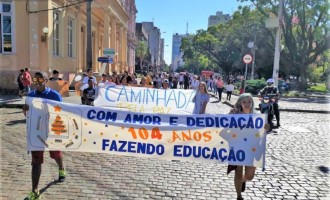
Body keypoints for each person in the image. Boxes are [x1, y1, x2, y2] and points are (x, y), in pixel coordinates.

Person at [22, 72, 66, 200]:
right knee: (36, 161)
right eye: (35, 79)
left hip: (51, 131)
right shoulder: (30, 96)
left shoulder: (54, 95)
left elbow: (61, 113)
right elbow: (28, 116)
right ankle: (35, 191)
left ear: (45, 80)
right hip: (36, 133)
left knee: (55, 154)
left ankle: (61, 168)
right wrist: (25, 109)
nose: (37, 81)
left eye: (40, 79)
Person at [227, 93, 270, 200]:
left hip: (252, 148)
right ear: (240, 103)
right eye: (244, 102)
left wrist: (266, 127)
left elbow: (261, 131)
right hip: (237, 147)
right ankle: (239, 196)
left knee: (250, 176)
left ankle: (243, 180)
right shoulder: (234, 114)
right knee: (238, 172)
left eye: (249, 102)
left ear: (252, 103)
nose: (247, 104)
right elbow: (224, 124)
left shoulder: (257, 115)